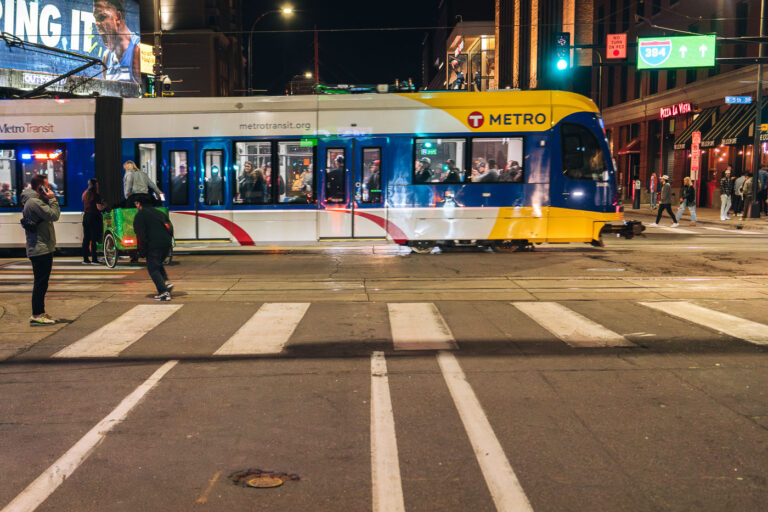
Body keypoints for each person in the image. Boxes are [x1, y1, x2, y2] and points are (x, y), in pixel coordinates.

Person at [21, 175, 61, 325]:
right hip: (40, 248)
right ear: (40, 187)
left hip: (42, 247)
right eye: (47, 185)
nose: (49, 187)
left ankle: (40, 312)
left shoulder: (36, 200)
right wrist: (52, 198)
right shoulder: (34, 202)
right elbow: (54, 215)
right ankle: (37, 314)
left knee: (42, 283)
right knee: (40, 283)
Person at [133, 197, 174, 301]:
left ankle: (163, 292)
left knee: (153, 269)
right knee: (157, 264)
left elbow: (141, 235)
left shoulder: (140, 215)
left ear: (139, 204)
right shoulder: (160, 213)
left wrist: (141, 250)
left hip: (153, 245)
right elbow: (170, 227)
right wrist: (168, 240)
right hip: (166, 244)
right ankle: (165, 283)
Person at [93, 0, 141, 83]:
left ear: (118, 17)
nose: (96, 24)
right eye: (95, 19)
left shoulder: (138, 49)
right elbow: (106, 90)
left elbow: (144, 91)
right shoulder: (106, 56)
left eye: (101, 17)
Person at [81, 179, 105, 264]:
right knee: (93, 239)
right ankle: (94, 259)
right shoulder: (96, 195)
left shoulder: (85, 194)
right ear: (95, 185)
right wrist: (104, 206)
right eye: (97, 185)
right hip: (94, 217)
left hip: (86, 217)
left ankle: (85, 259)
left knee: (86, 238)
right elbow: (99, 208)